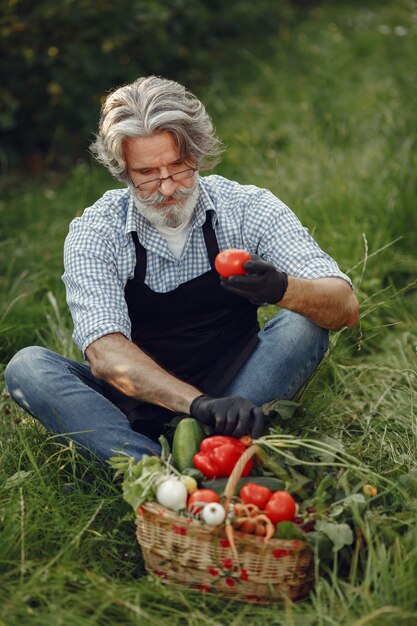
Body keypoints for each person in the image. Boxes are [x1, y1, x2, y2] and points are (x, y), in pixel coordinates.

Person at [5, 75, 359, 464]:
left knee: (303, 322)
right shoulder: (97, 231)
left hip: (239, 393)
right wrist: (197, 404)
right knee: (29, 368)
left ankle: (214, 448)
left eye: (179, 167)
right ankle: (152, 470)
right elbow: (105, 354)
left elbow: (344, 305)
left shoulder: (247, 208)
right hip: (137, 405)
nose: (168, 187)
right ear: (123, 170)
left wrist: (282, 289)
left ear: (197, 154)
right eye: (147, 174)